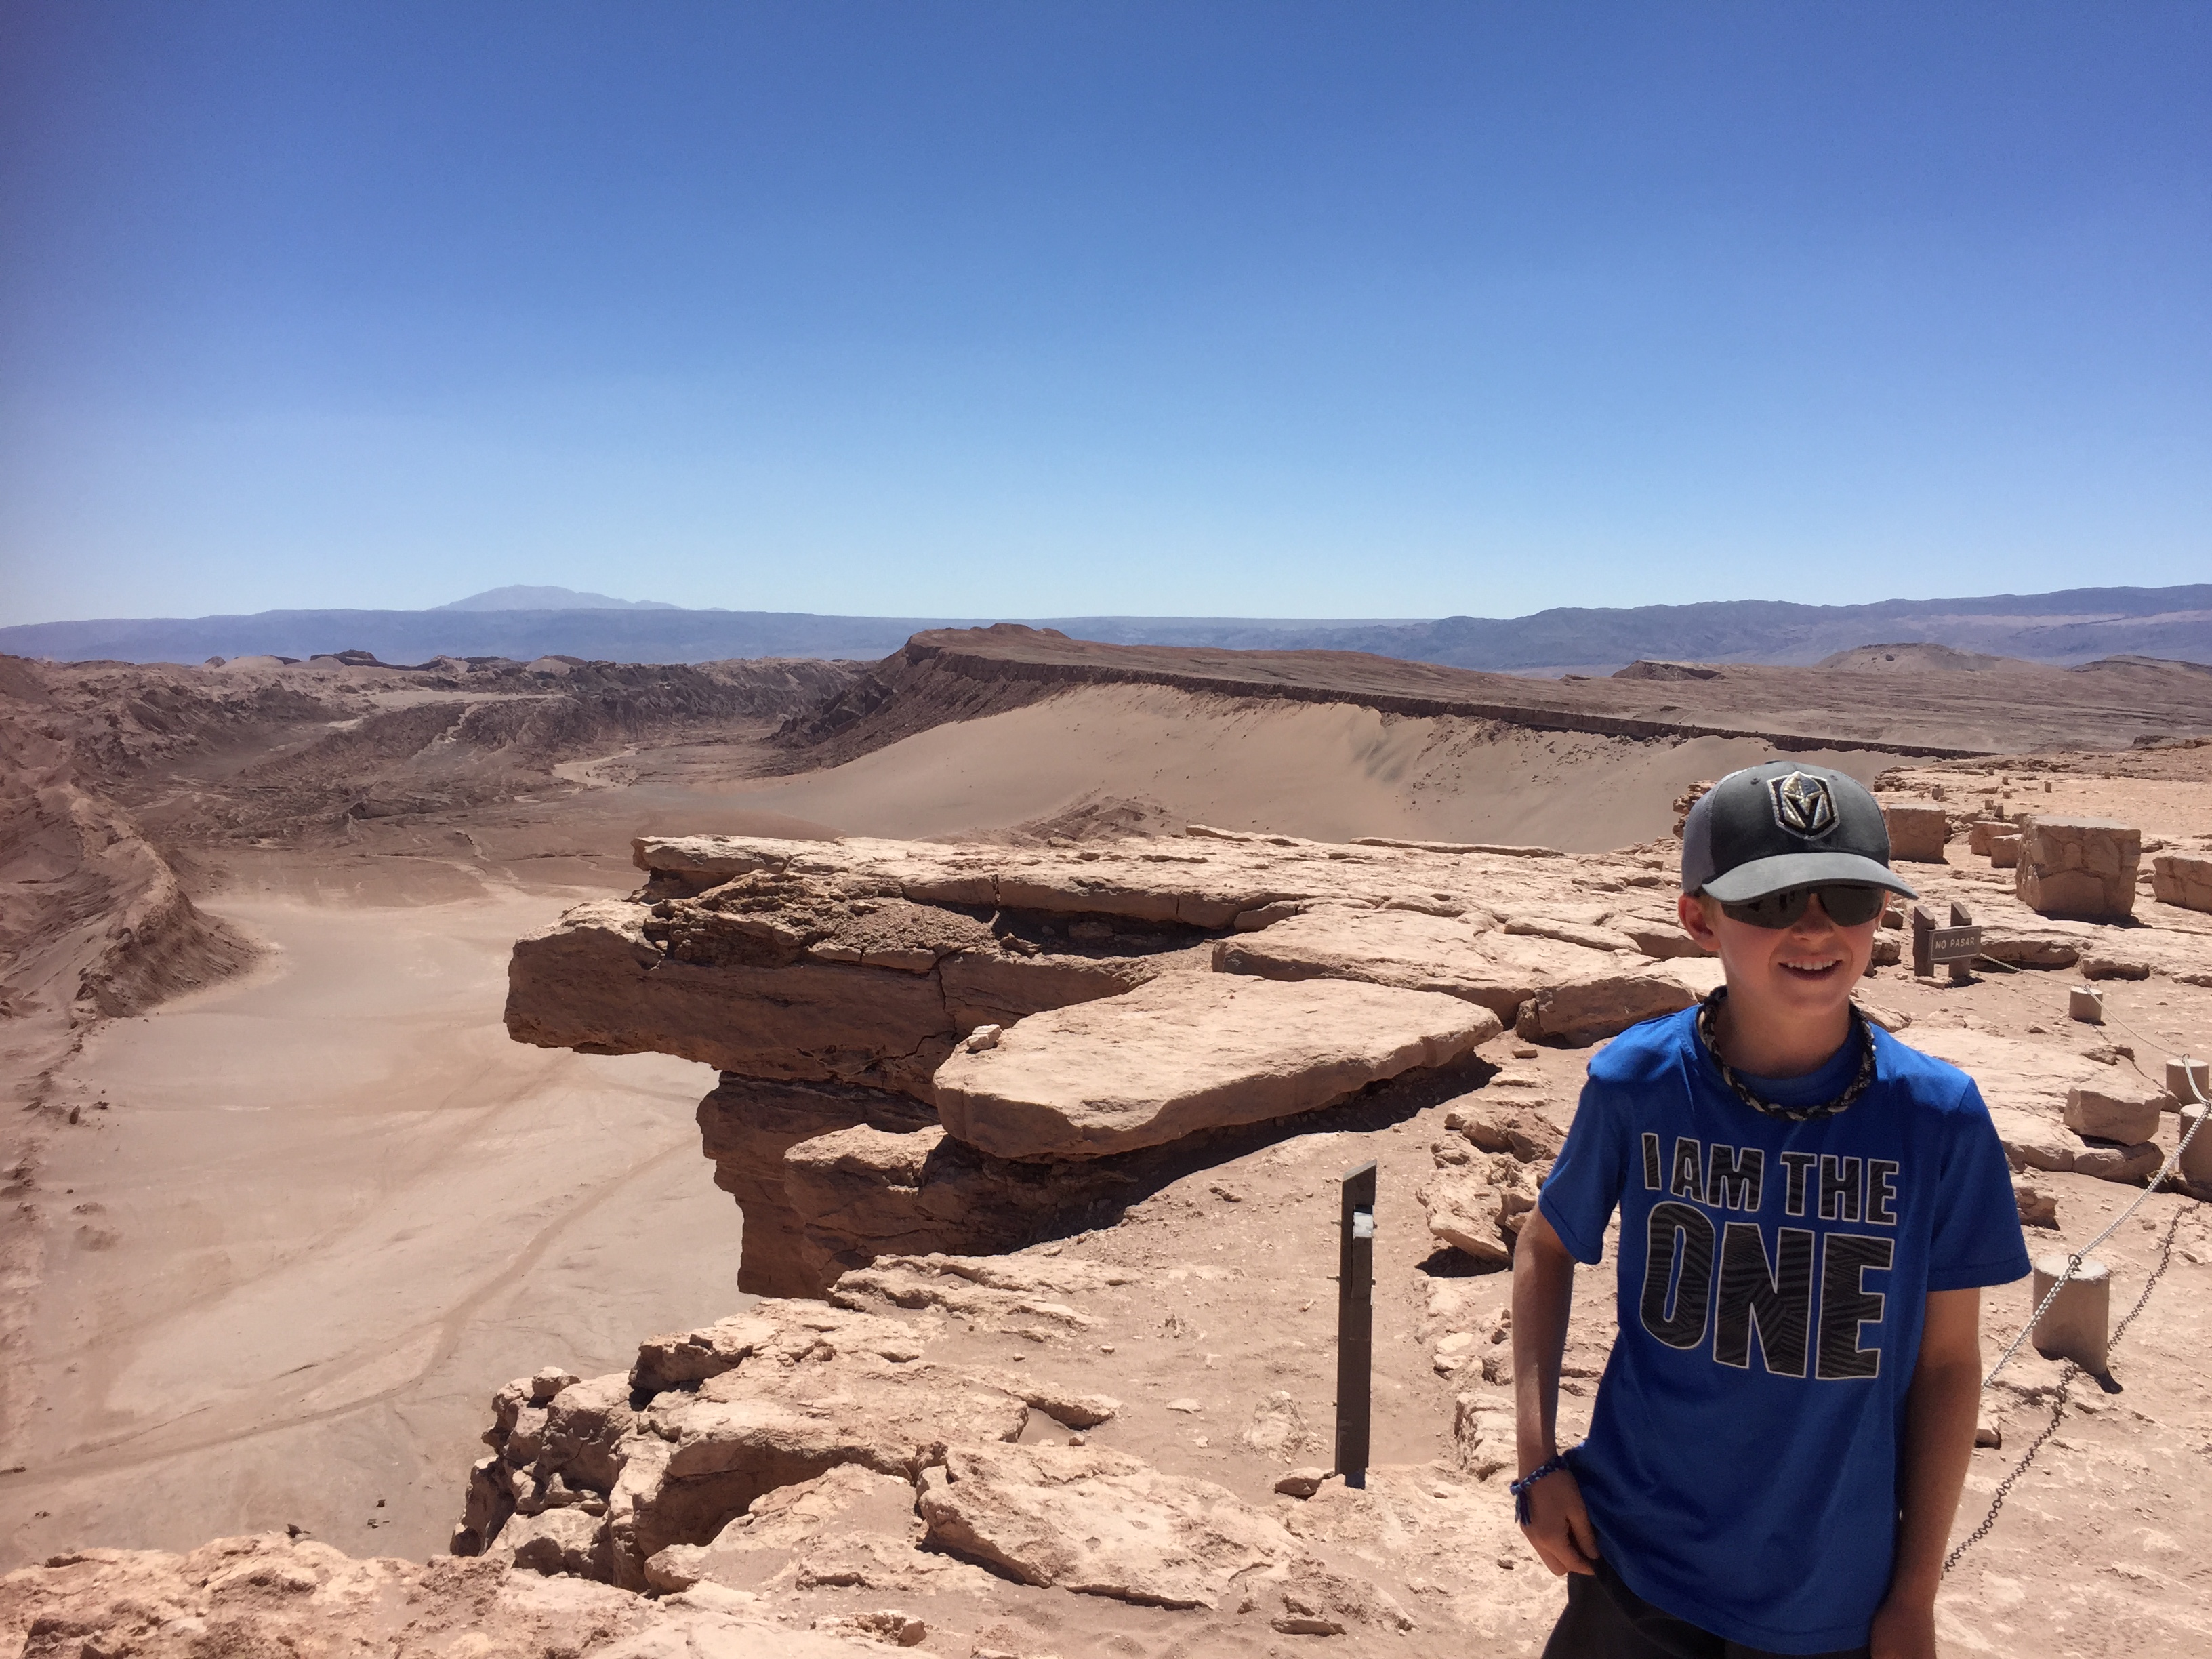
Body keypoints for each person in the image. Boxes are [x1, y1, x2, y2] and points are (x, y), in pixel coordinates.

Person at [1511, 760, 2030, 1659]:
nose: (1815, 927)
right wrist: (1537, 1462)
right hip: (1633, 1564)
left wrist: (1913, 1597)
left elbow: (1949, 1365)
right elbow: (1546, 1245)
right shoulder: (1637, 1083)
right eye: (1773, 900)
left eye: (1847, 896)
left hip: (1826, 1595)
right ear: (1698, 917)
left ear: (1883, 912)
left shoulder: (1937, 1117)